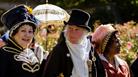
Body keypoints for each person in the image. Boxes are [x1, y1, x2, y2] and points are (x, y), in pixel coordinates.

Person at [41, 9, 105, 77]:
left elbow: (100, 72)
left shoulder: (89, 48)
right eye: (70, 28)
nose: (72, 32)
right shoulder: (59, 50)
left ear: (84, 32)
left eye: (77, 29)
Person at [0, 4, 42, 77]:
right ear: (13, 33)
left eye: (30, 31)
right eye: (23, 30)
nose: (27, 35)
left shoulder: (31, 52)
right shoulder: (4, 54)